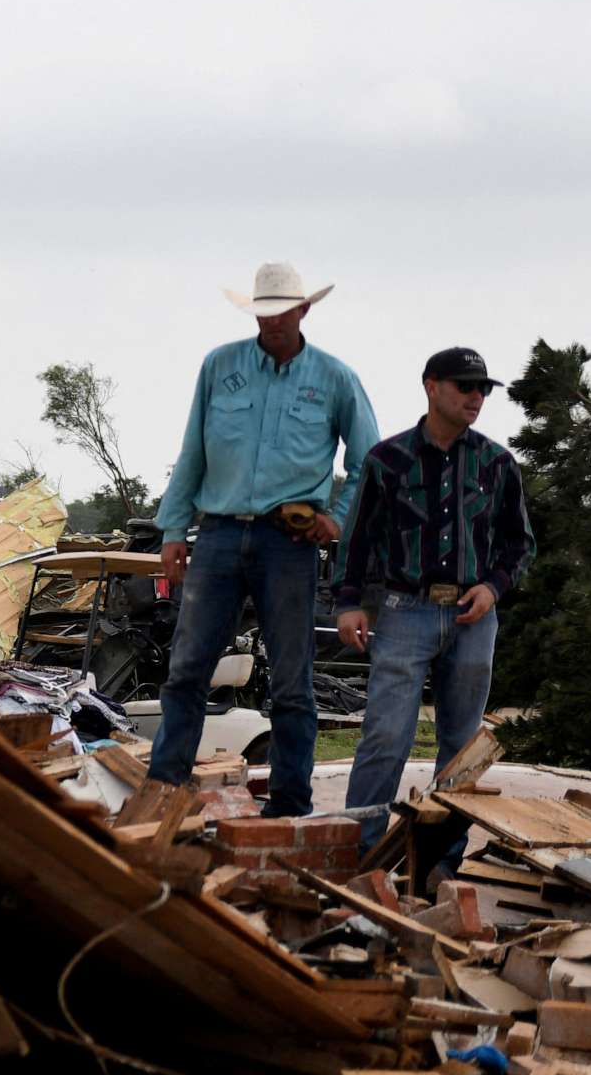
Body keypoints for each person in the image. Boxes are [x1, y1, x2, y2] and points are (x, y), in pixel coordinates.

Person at [149, 262, 381, 817]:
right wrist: (174, 531)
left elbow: (370, 457)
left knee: (292, 680)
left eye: (283, 312)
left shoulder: (333, 378)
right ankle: (163, 788)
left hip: (289, 543)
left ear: (304, 311)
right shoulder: (220, 366)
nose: (273, 322)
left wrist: (339, 517)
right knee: (187, 668)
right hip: (220, 535)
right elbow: (194, 452)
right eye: (264, 313)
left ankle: (290, 802)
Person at [335, 346, 535, 842]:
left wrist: (493, 588)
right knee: (385, 736)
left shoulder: (497, 464)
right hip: (405, 611)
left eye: (483, 389)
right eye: (465, 386)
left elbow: (520, 543)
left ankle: (439, 863)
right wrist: (349, 602)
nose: (476, 397)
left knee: (461, 746)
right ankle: (359, 853)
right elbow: (356, 537)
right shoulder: (387, 461)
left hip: (474, 618)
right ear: (431, 385)